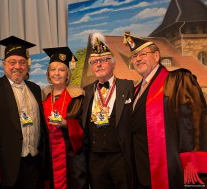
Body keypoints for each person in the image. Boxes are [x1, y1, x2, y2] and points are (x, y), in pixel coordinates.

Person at [124, 32, 207, 189]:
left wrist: (191, 160)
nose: (138, 59)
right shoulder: (135, 91)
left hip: (170, 167)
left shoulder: (178, 80)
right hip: (140, 170)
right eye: (134, 57)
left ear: (156, 56)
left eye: (142, 54)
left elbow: (194, 122)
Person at [0, 36, 49, 189]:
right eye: (12, 62)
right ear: (4, 65)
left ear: (27, 66)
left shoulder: (35, 89)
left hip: (34, 165)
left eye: (22, 62)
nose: (17, 66)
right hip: (5, 167)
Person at [82, 32, 134, 189]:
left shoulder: (129, 86)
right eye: (95, 62)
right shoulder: (86, 91)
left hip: (121, 157)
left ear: (113, 63)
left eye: (103, 60)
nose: (98, 64)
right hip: (95, 159)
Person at [41, 47, 88, 189]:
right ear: (48, 74)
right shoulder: (42, 96)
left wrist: (67, 124)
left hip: (71, 156)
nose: (57, 73)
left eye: (61, 70)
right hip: (48, 156)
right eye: (53, 69)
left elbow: (85, 126)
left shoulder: (78, 95)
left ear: (67, 74)